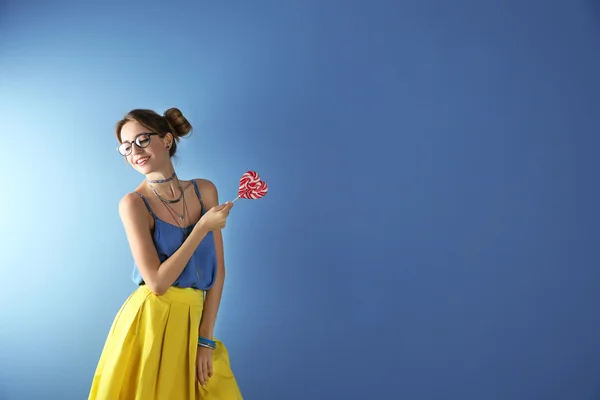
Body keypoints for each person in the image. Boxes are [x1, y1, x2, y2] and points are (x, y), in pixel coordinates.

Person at [88, 107, 243, 399]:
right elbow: (157, 283)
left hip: (194, 318)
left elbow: (218, 272)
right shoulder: (133, 204)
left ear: (167, 140)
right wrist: (201, 229)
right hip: (152, 322)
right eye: (126, 146)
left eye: (142, 140)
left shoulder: (204, 191)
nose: (134, 151)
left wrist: (205, 341)